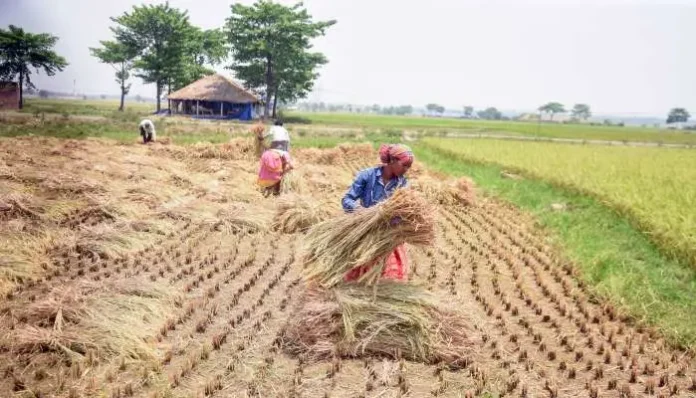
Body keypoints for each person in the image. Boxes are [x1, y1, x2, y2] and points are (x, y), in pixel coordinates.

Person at [341, 144, 414, 282]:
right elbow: (347, 200)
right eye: (404, 165)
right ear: (392, 161)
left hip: (387, 233)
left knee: (391, 272)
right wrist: (361, 211)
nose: (406, 170)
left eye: (408, 167)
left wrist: (392, 220)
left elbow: (403, 213)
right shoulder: (367, 175)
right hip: (365, 228)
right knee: (359, 269)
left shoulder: (403, 185)